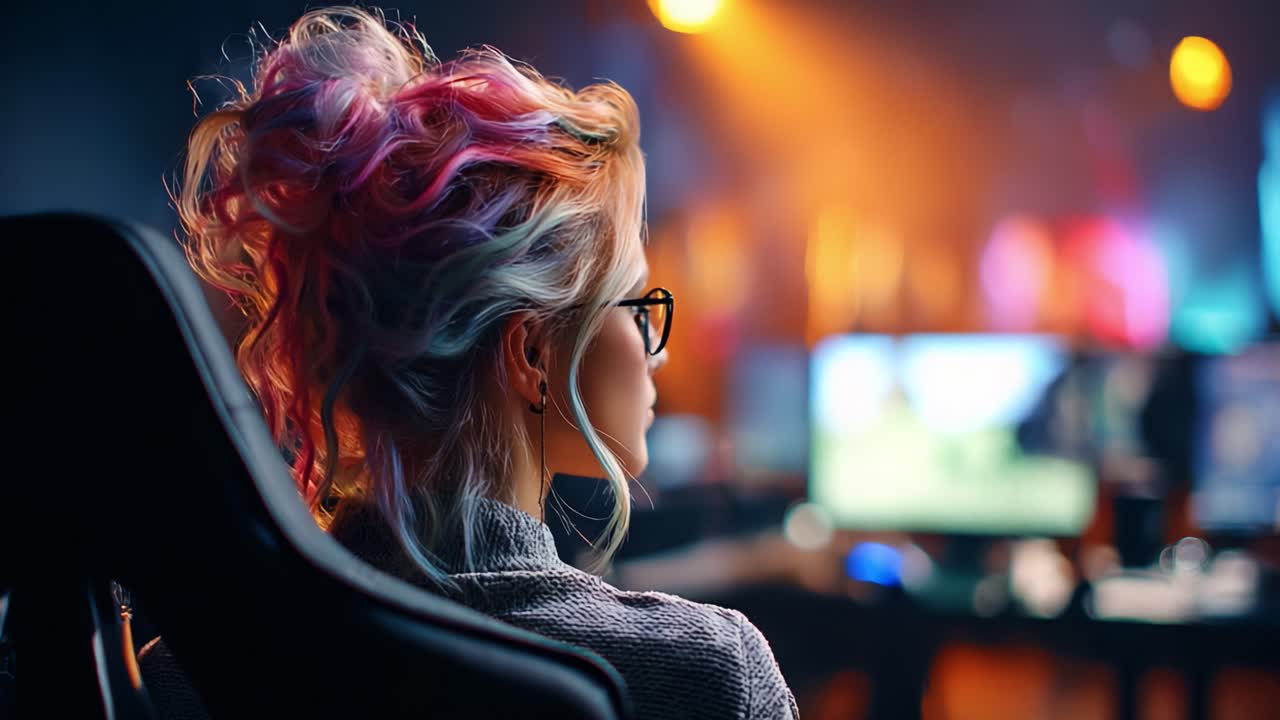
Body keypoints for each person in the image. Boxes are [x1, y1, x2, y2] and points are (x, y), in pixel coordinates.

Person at [171, 7, 798, 718]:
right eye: (634, 305)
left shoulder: (180, 670)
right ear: (530, 351)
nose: (659, 350)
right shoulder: (707, 676)